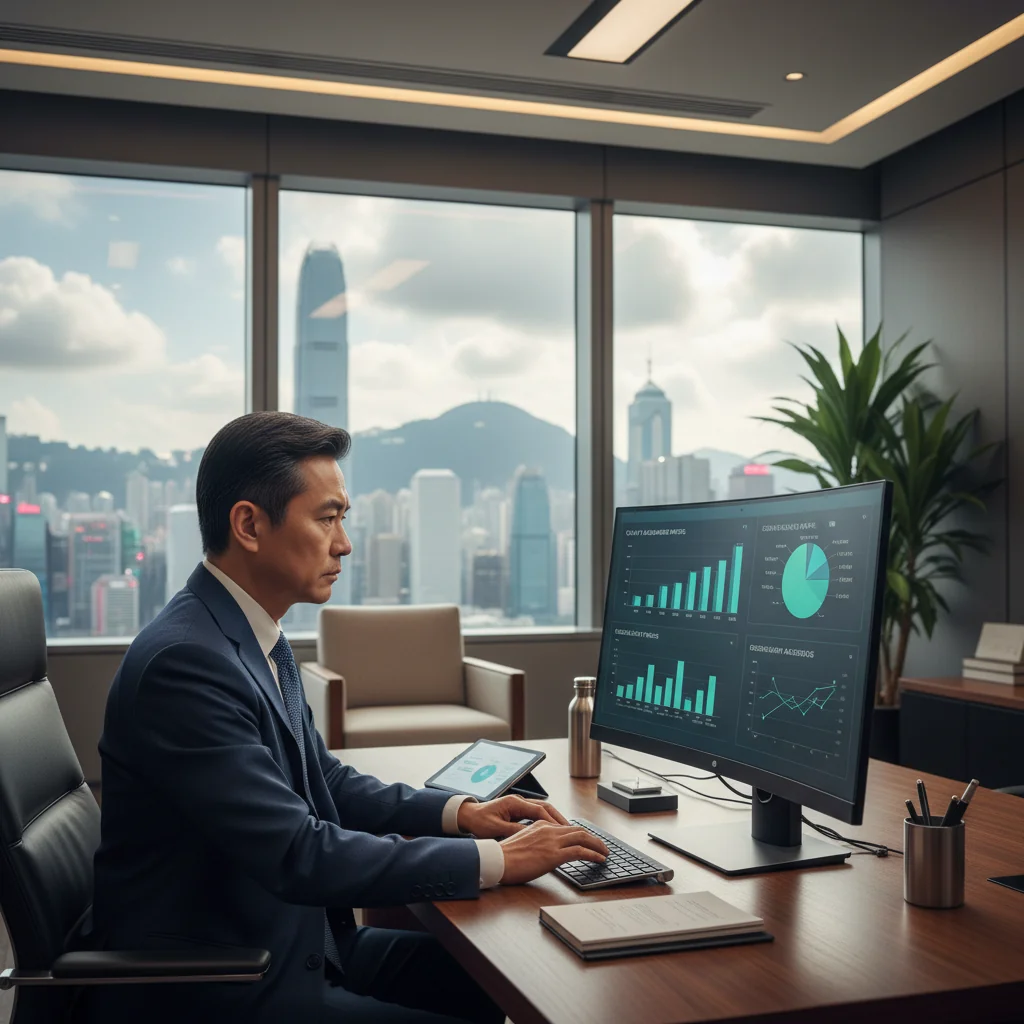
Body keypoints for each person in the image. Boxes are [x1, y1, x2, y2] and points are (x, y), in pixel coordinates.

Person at [85, 412, 608, 1024]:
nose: (344, 543)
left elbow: (321, 782)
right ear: (249, 524)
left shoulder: (251, 636)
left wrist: (461, 814)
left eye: (344, 520)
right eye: (327, 518)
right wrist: (500, 860)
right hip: (225, 981)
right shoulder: (187, 665)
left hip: (301, 945)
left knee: (511, 983)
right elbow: (298, 854)